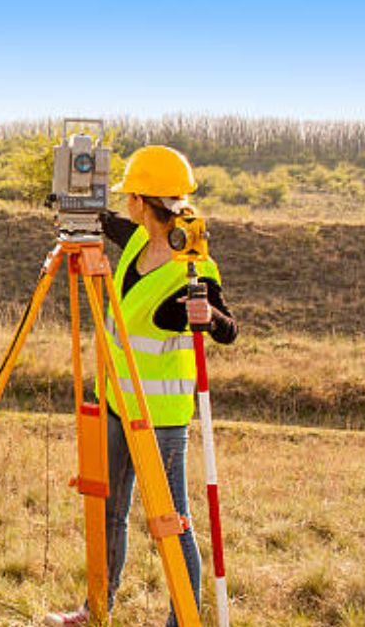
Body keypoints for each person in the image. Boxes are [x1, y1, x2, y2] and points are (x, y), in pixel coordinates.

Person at [44, 146, 238, 627]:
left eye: (127, 195)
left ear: (139, 200)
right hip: (115, 404)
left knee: (171, 526)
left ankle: (184, 620)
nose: (123, 204)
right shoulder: (135, 241)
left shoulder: (193, 264)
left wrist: (208, 317)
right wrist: (73, 201)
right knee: (108, 512)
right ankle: (97, 607)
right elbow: (105, 221)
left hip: (162, 421)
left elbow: (229, 328)